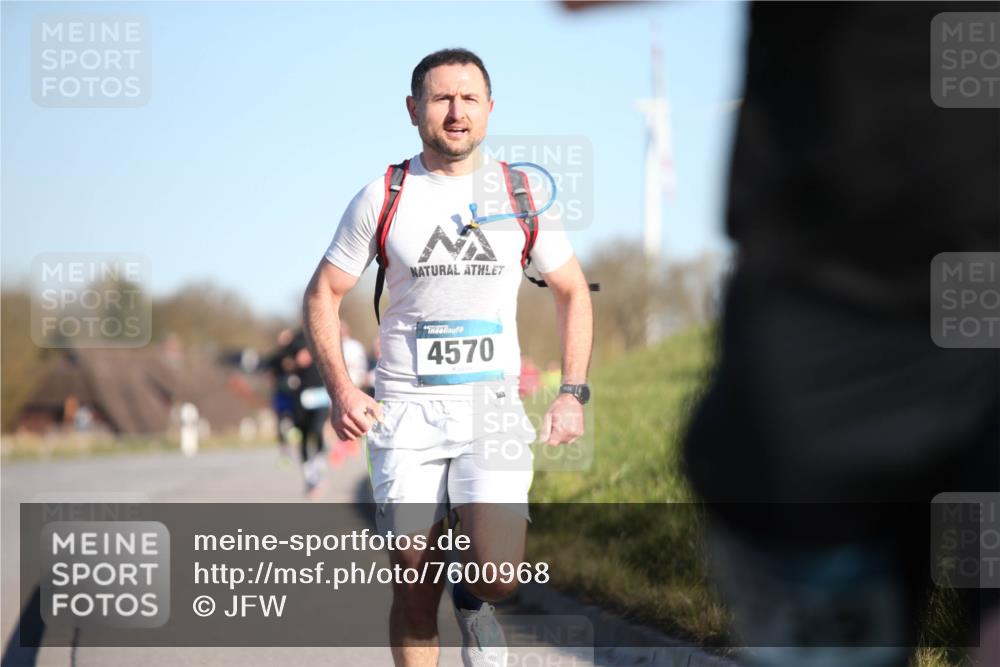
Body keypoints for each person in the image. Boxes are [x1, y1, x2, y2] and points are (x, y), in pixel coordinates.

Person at [303, 48, 594, 667]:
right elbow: (323, 294)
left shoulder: (520, 193)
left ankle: (475, 597)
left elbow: (572, 290)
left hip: (490, 409)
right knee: (413, 588)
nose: (456, 111)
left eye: (469, 98)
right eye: (440, 98)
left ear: (490, 108)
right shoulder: (384, 194)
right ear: (414, 111)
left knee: (498, 577)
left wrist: (573, 391)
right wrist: (342, 389)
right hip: (406, 413)